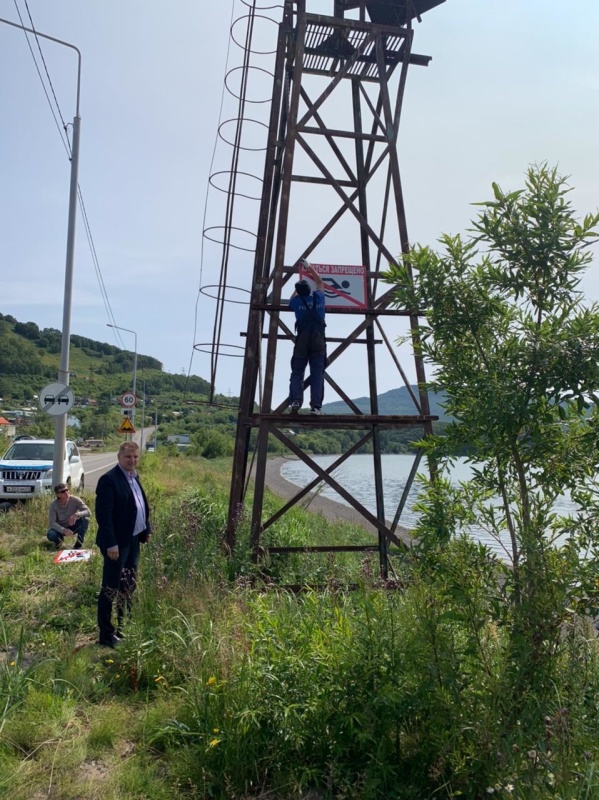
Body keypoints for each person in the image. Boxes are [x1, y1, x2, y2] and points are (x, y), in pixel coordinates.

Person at [95, 441, 151, 648]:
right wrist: (111, 544)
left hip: (133, 540)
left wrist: (146, 529)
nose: (132, 460)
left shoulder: (134, 477)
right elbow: (104, 515)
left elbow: (141, 504)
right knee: (110, 588)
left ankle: (123, 627)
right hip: (116, 545)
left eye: (135, 457)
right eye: (128, 457)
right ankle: (106, 634)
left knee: (128, 587)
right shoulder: (109, 480)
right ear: (119, 457)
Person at [288, 259, 327, 414]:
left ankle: (296, 401)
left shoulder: (297, 302)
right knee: (317, 374)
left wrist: (298, 285)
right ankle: (316, 407)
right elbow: (320, 282)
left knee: (297, 372)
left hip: (302, 341)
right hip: (318, 340)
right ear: (309, 289)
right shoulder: (319, 298)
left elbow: (291, 299)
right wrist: (309, 268)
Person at [46, 483, 90, 549]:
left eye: (67, 490)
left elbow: (88, 512)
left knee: (85, 519)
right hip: (60, 528)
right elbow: (52, 523)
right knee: (51, 534)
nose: (66, 492)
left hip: (73, 525)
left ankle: (79, 544)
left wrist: (76, 515)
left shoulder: (75, 500)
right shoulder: (53, 505)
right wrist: (64, 530)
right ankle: (58, 542)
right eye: (63, 491)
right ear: (58, 494)